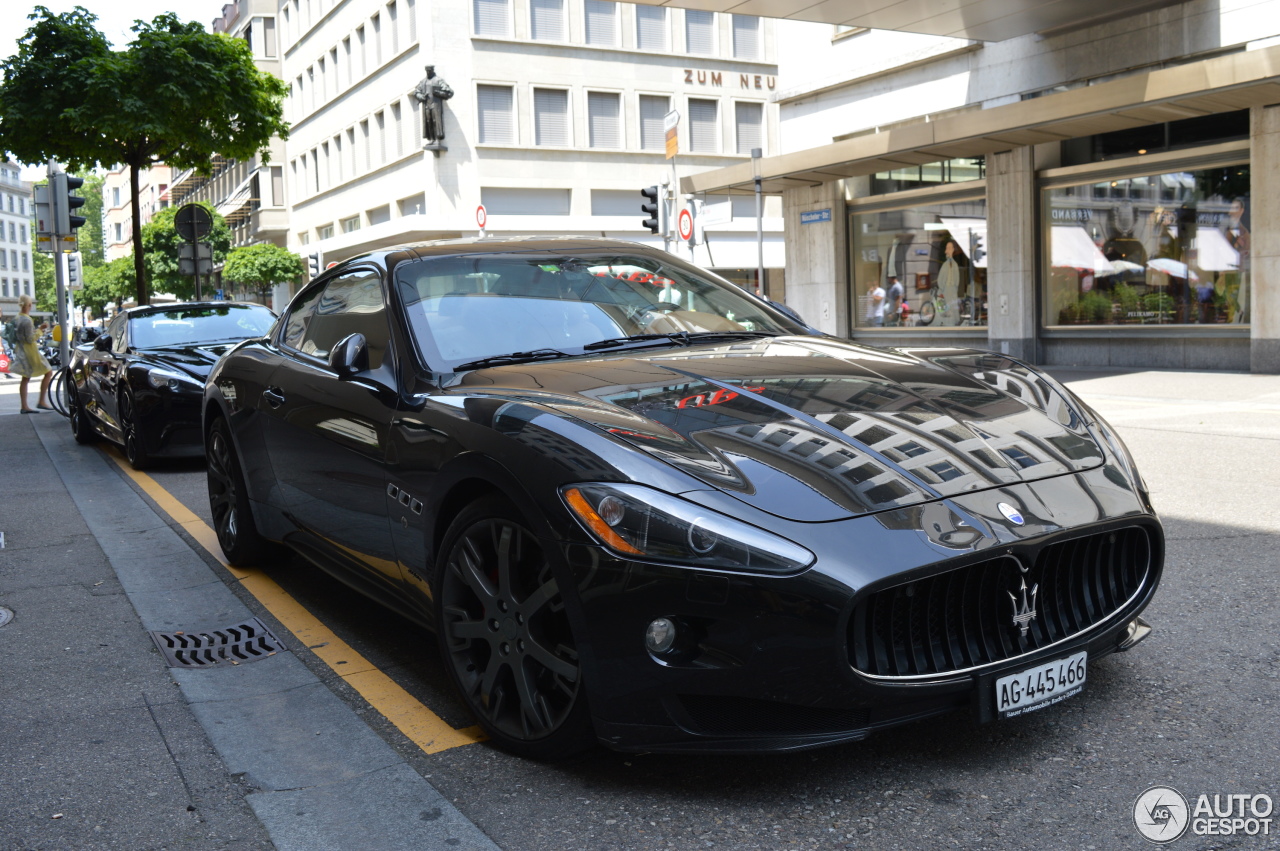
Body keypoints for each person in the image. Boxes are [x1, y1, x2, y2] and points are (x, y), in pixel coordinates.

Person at [10, 294, 53, 413]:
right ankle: (41, 401)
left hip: (21, 349)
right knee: (48, 371)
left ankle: (25, 406)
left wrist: (37, 329)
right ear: (29, 305)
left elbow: (23, 335)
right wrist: (41, 330)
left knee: (26, 377)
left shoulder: (17, 317)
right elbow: (30, 339)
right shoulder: (27, 320)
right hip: (30, 351)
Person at [413, 65, 454, 144]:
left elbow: (449, 92)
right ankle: (432, 139)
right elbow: (416, 92)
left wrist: (438, 93)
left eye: (430, 71)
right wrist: (421, 96)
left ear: (432, 70)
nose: (428, 72)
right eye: (427, 71)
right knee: (429, 121)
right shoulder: (423, 82)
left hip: (435, 105)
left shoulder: (438, 80)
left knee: (436, 121)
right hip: (426, 106)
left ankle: (438, 138)